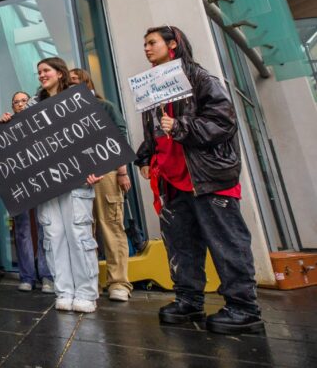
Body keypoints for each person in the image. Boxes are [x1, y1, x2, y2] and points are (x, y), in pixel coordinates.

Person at [136, 25, 262, 334]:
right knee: (182, 244)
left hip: (207, 178)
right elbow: (156, 131)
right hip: (172, 180)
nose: (147, 49)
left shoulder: (202, 79)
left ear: (173, 44)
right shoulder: (152, 88)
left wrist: (181, 127)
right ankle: (189, 301)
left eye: (152, 43)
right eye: (145, 44)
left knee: (227, 243)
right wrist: (144, 155)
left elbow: (223, 121)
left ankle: (245, 310)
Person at [35, 57, 100, 313]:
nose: (42, 75)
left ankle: (86, 292)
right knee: (54, 235)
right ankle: (64, 290)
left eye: (46, 70)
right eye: (39, 72)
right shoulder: (34, 104)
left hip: (77, 179)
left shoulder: (79, 99)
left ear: (60, 73)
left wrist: (98, 166)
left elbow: (95, 133)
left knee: (78, 233)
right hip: (46, 182)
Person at [69, 68, 133, 303]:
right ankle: (90, 280)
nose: (71, 85)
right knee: (84, 230)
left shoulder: (105, 106)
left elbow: (120, 135)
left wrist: (122, 171)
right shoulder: (67, 113)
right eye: (68, 82)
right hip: (79, 175)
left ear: (86, 82)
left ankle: (118, 282)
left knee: (111, 225)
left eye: (75, 81)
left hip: (106, 173)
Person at [0, 91, 54, 293]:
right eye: (16, 102)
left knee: (43, 227)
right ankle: (27, 277)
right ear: (12, 107)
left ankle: (47, 275)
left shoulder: (41, 124)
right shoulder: (8, 127)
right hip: (19, 184)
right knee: (22, 229)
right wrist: (1, 125)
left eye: (24, 101)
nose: (21, 104)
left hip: (41, 180)